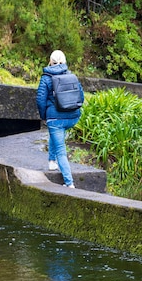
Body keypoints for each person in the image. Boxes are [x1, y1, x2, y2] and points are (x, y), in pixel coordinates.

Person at [36, 50, 84, 188]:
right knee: (55, 135)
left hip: (55, 119)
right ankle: (51, 161)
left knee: (61, 151)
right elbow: (81, 96)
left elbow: (40, 100)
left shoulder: (46, 78)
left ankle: (69, 184)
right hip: (73, 118)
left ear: (50, 61)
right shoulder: (72, 76)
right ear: (65, 62)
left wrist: (44, 116)